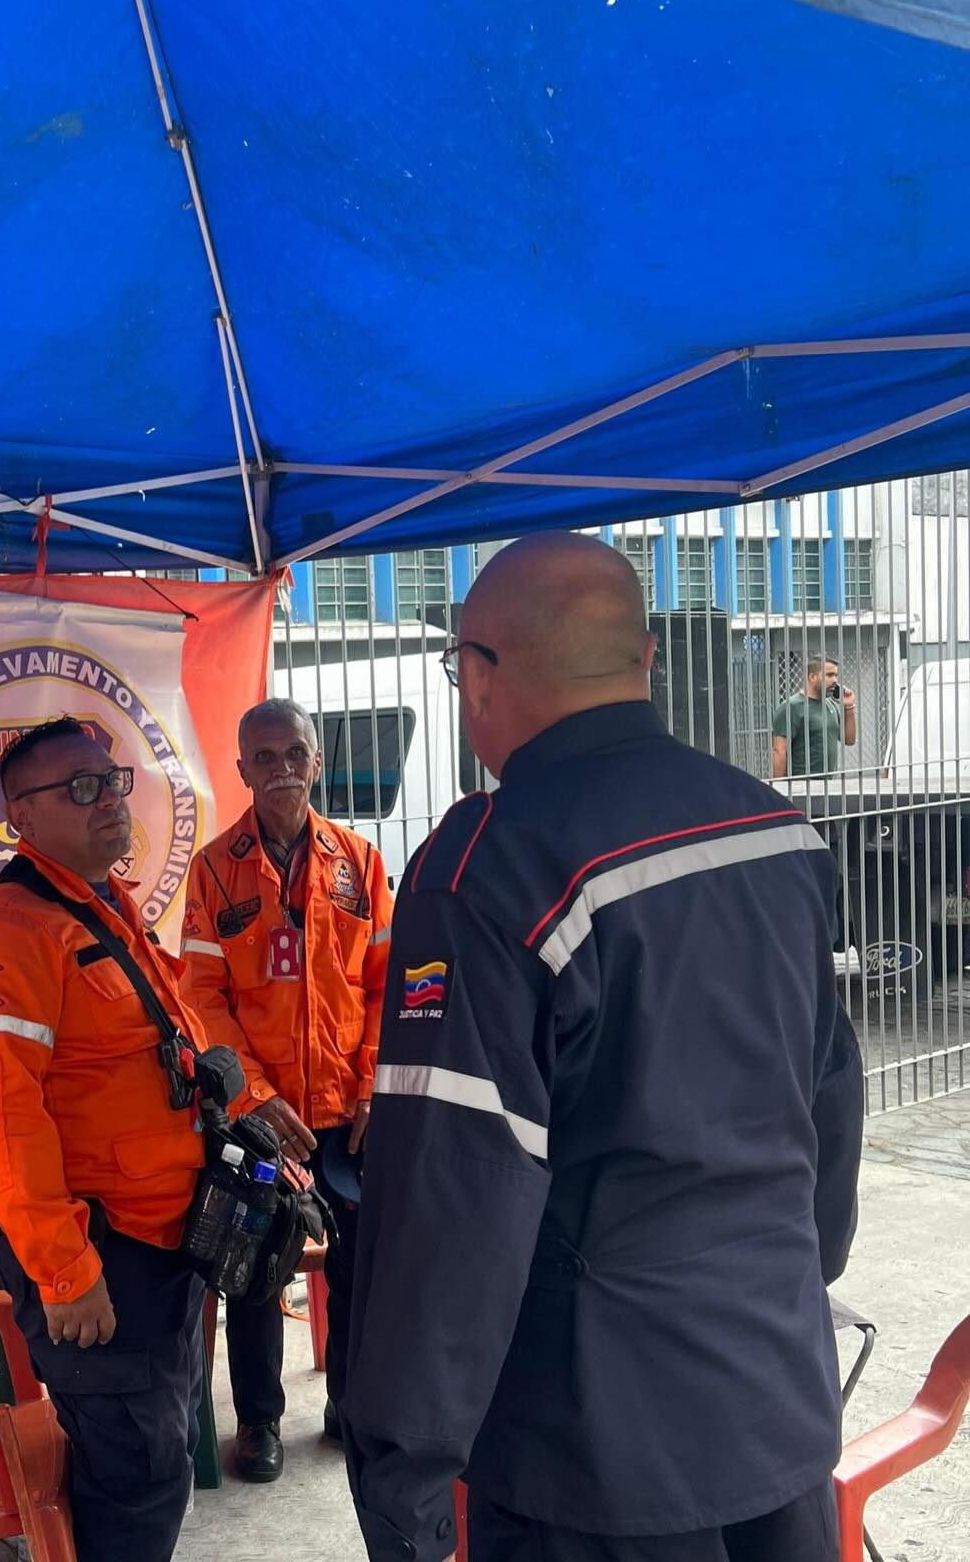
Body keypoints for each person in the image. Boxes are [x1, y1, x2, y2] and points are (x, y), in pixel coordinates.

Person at [343, 534, 863, 1562]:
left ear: (479, 674)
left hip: (597, 1445)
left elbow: (452, 1190)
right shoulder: (776, 831)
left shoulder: (490, 866)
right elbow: (830, 1103)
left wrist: (400, 1468)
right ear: (646, 661)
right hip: (775, 1396)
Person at [0, 716, 214, 1562]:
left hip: (162, 1242)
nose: (109, 801)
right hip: (100, 1259)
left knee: (147, 1455)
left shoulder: (101, 906)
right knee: (136, 1479)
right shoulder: (13, 931)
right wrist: (65, 1273)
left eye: (113, 781)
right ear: (20, 816)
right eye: (81, 788)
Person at [183, 697, 394, 1484]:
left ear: (317, 761)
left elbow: (387, 986)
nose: (281, 770)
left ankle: (350, 1404)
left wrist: (372, 1086)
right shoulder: (212, 871)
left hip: (347, 1117)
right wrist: (256, 1099)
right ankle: (261, 1424)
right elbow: (201, 1001)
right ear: (241, 769)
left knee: (358, 1264)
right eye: (263, 758)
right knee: (254, 1270)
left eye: (294, 754)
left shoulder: (360, 864)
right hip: (260, 1124)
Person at [772, 656, 857, 777]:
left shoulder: (830, 704)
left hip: (829, 786)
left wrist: (849, 707)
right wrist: (780, 790)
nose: (835, 680)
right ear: (812, 677)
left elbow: (849, 740)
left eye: (836, 675)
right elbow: (779, 751)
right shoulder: (791, 707)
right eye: (829, 675)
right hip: (802, 787)